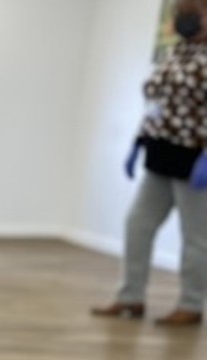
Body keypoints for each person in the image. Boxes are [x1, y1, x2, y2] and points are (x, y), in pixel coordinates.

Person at [93, 0, 207, 327]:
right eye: (181, 13)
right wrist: (138, 142)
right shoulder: (175, 54)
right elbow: (157, 104)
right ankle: (130, 297)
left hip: (193, 160)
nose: (184, 20)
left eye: (194, 13)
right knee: (137, 226)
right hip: (159, 155)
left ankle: (192, 303)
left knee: (196, 236)